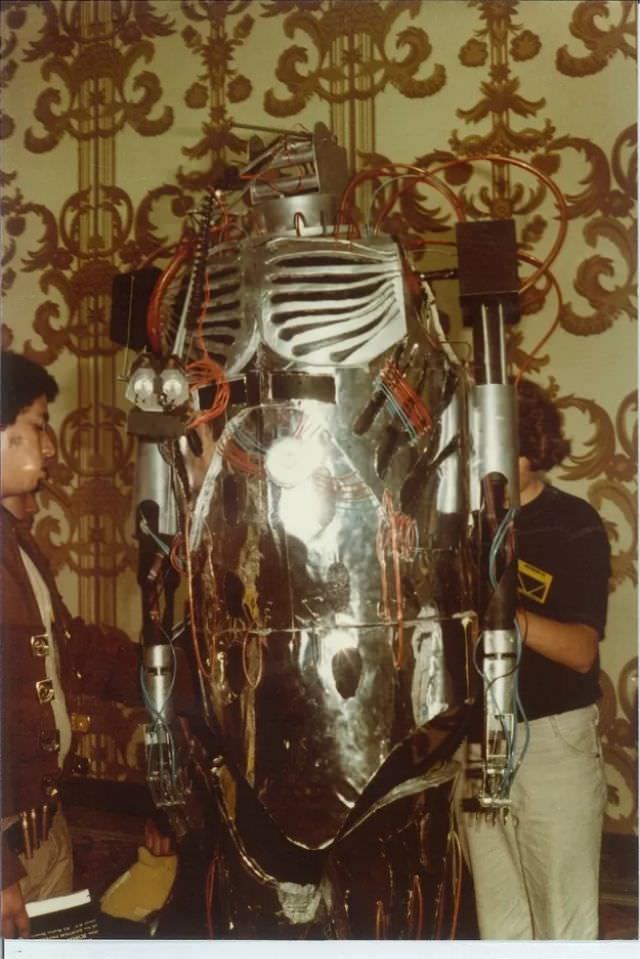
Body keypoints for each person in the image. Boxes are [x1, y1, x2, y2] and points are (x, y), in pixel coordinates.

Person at [455, 377, 611, 940]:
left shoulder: (574, 524)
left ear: (530, 451)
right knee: (500, 928)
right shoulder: (459, 527)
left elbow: (581, 653)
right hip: (476, 744)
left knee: (563, 927)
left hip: (553, 744)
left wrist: (507, 617)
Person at [0, 350, 145, 938]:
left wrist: (176, 680)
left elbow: (72, 651)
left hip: (42, 830)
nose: (52, 446)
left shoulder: (15, 543)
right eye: (37, 423)